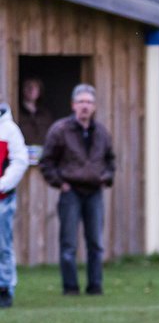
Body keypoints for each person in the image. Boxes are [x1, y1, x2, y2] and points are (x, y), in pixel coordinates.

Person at [39, 84, 114, 296]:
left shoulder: (101, 133)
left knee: (96, 243)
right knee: (69, 244)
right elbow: (47, 161)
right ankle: (70, 287)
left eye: (89, 102)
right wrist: (59, 183)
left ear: (94, 106)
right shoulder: (60, 130)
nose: (85, 106)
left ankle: (95, 286)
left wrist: (105, 178)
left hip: (94, 192)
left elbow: (110, 160)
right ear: (73, 105)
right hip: (70, 191)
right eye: (81, 102)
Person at [0, 102, 31, 308]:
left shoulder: (9, 129)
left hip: (2, 198)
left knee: (2, 245)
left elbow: (20, 161)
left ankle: (4, 287)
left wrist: (3, 184)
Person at [19, 77, 54, 148]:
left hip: (43, 154)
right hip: (23, 154)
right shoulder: (16, 112)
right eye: (28, 86)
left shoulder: (46, 115)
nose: (31, 89)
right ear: (22, 89)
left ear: (39, 91)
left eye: (35, 87)